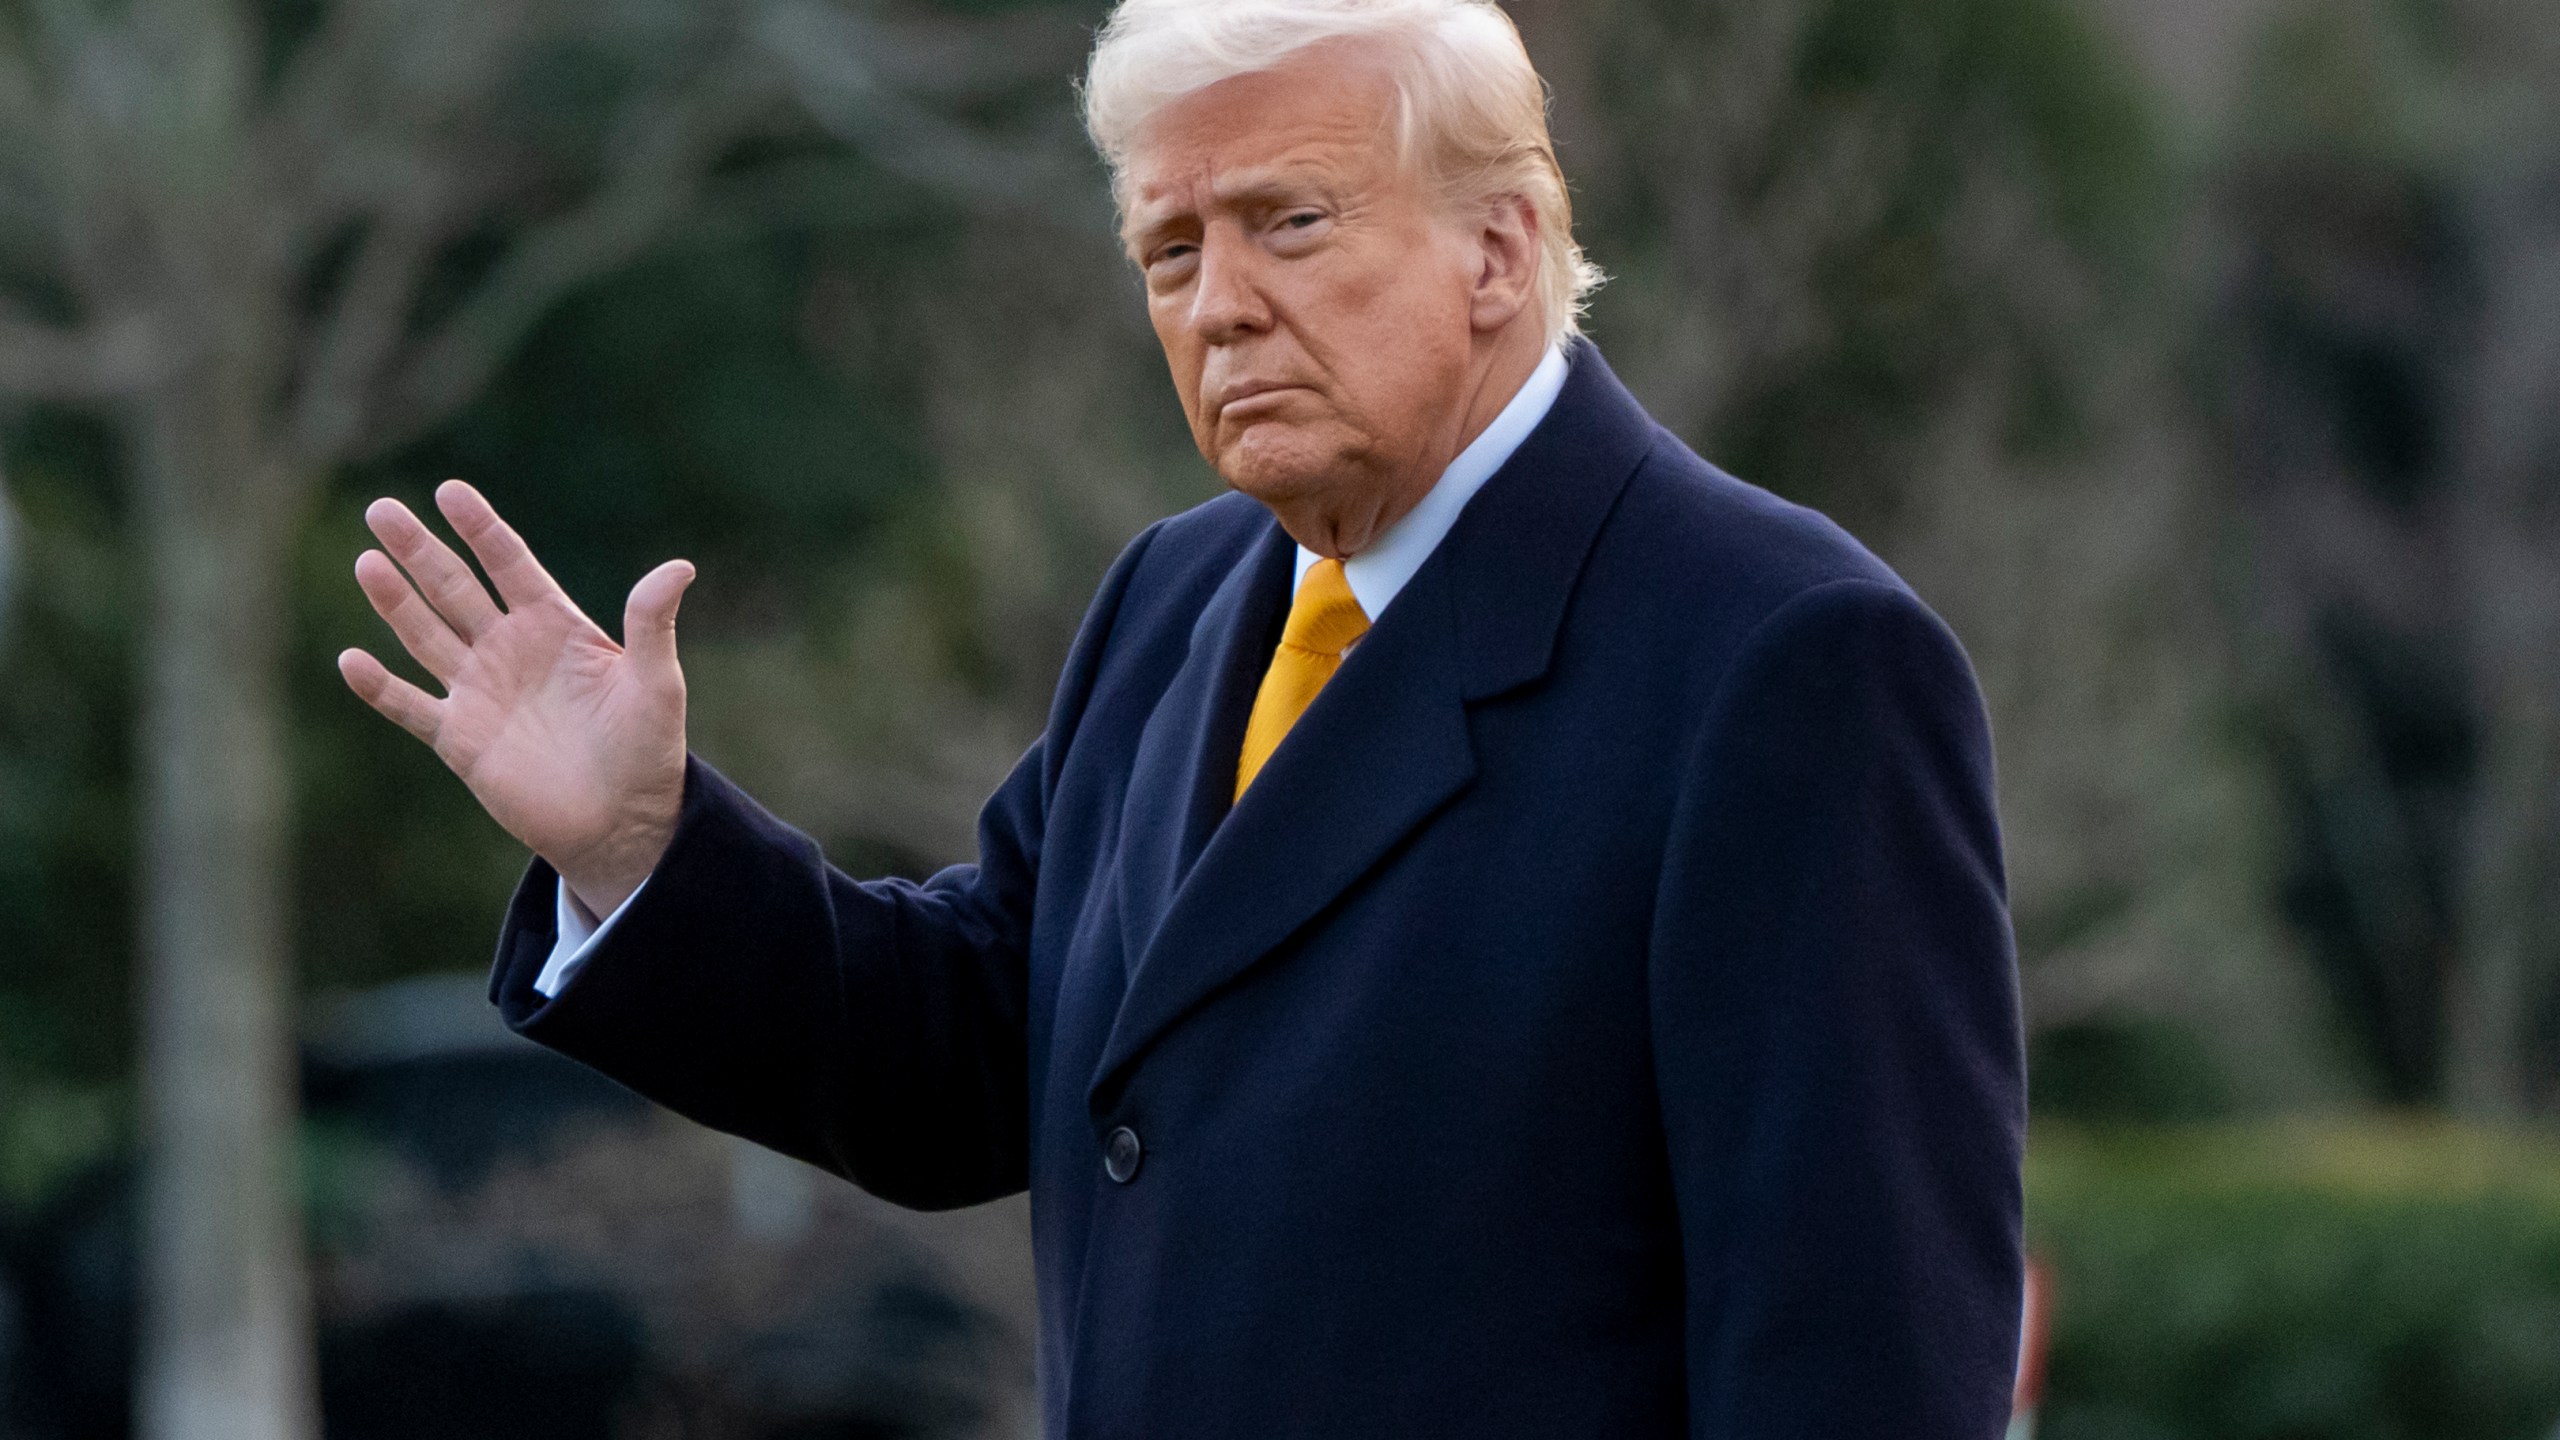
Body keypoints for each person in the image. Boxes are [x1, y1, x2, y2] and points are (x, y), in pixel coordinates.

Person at [340, 1, 2025, 1434]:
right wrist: (645, 851)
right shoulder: (1177, 602)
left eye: (1288, 221)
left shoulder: (1784, 660)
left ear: (1500, 250)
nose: (1217, 304)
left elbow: (1855, 1363)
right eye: (1170, 246)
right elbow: (969, 1059)